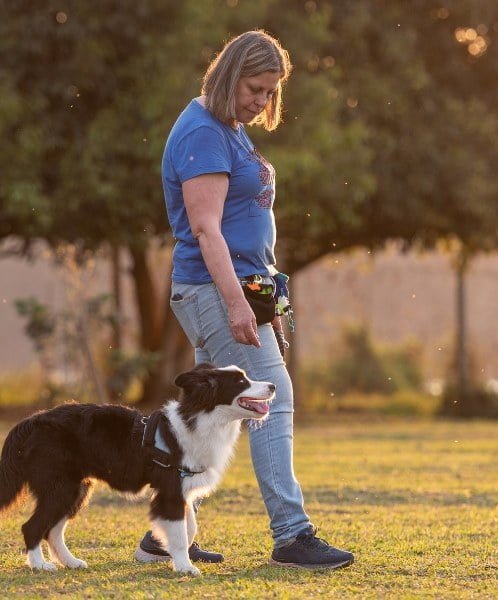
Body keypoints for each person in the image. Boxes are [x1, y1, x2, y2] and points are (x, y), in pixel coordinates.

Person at [133, 31, 354, 570]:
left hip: (240, 287)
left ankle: (165, 533)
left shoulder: (226, 129)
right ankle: (291, 535)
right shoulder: (203, 134)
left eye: (271, 93)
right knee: (268, 401)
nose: (263, 102)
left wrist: (261, 294)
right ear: (230, 76)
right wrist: (236, 304)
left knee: (206, 411)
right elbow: (207, 231)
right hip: (215, 289)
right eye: (256, 88)